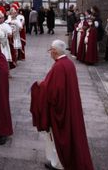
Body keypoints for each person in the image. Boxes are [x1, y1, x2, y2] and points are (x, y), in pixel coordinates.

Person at [30, 40, 94, 170]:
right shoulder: (68, 63)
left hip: (60, 110)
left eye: (50, 50)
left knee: (57, 137)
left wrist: (40, 85)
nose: (50, 53)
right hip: (68, 104)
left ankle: (58, 164)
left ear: (54, 51)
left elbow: (53, 93)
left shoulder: (59, 66)